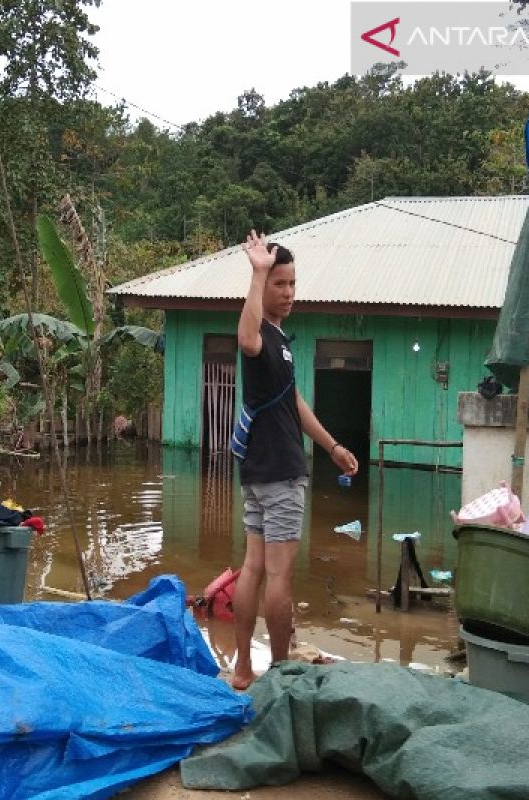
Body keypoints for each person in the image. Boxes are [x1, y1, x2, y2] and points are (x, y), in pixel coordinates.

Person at [230, 230, 358, 690]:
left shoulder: (280, 341)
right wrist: (256, 271)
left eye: (291, 284)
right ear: (263, 287)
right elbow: (244, 338)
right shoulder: (259, 333)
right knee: (277, 574)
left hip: (260, 470)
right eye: (278, 284)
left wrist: (332, 447)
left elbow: (294, 403)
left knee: (255, 568)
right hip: (280, 472)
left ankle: (244, 668)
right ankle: (278, 675)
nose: (287, 293)